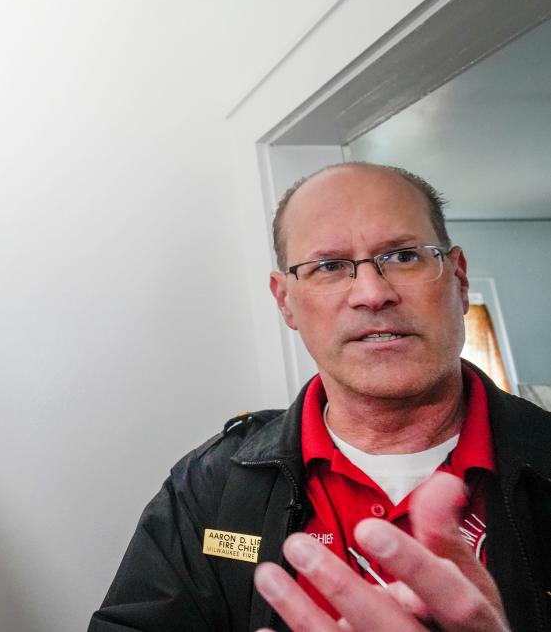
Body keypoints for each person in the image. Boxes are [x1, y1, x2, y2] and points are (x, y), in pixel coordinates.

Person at [89, 163, 551, 631]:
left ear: (459, 277)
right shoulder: (210, 486)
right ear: (285, 300)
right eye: (329, 266)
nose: (372, 293)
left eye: (404, 256)